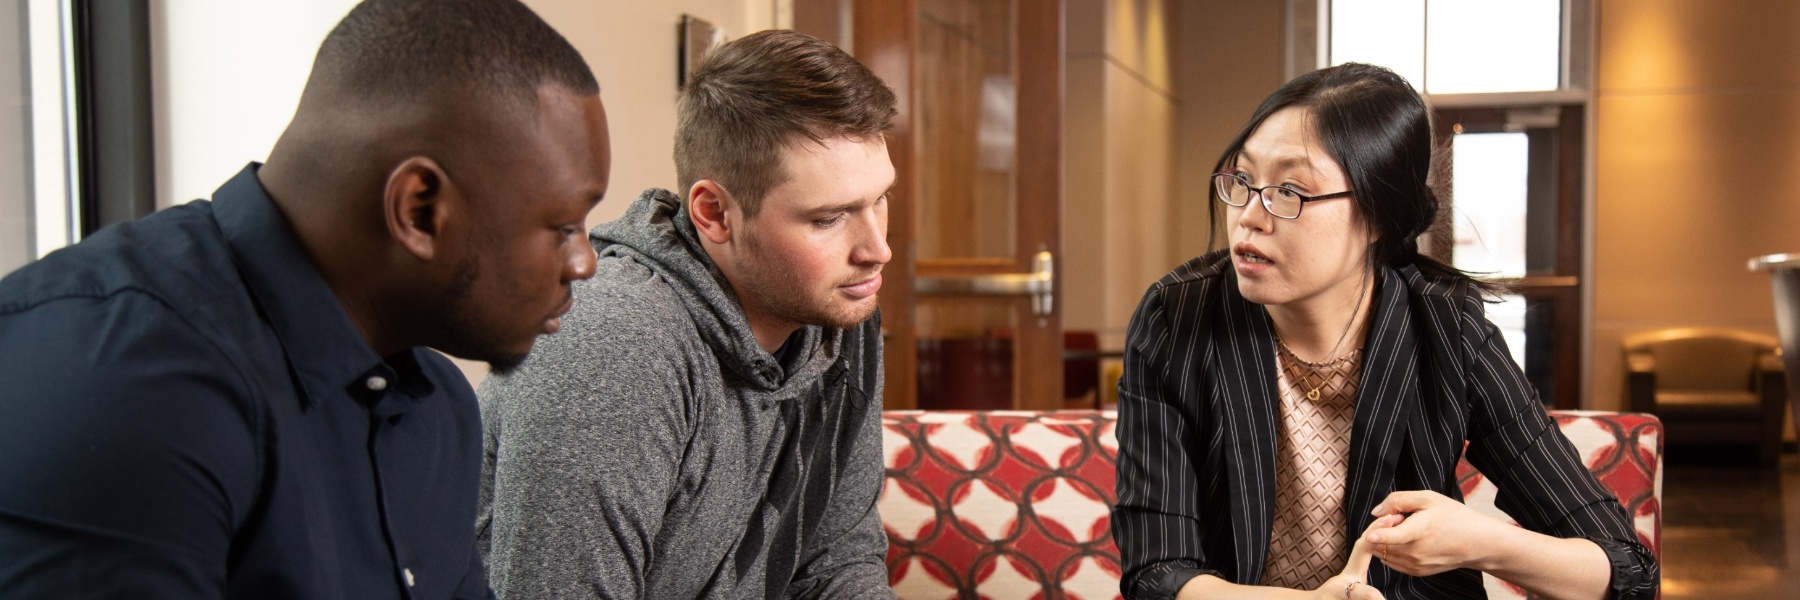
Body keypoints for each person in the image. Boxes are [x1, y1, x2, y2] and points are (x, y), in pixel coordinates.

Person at [0, 0, 609, 597]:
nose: (586, 262)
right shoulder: (122, 382)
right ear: (419, 209)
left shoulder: (438, 409)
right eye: (563, 227)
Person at [1110, 63, 1658, 600]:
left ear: (1377, 217)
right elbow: (1158, 575)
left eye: (1290, 191)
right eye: (1244, 179)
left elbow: (1624, 572)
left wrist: (1483, 543)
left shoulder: (1448, 329)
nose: (1249, 216)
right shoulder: (1176, 318)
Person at [476, 29, 897, 599]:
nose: (877, 250)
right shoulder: (616, 346)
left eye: (880, 200)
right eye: (828, 218)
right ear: (714, 213)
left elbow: (836, 561)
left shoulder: (839, 310)